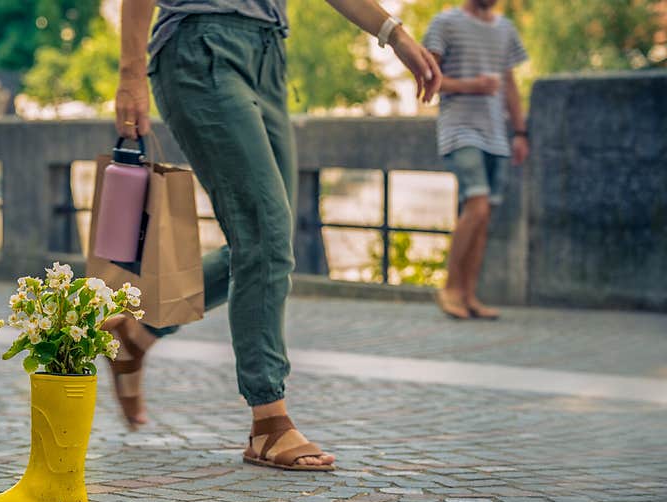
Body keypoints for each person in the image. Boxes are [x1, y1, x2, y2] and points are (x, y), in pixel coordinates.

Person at [107, 0, 441, 471]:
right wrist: (129, 75)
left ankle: (137, 329)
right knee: (263, 232)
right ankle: (268, 421)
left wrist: (394, 34)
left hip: (268, 52)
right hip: (201, 47)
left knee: (267, 242)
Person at [424, 0, 529, 320]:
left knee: (484, 216)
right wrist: (472, 86)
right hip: (460, 129)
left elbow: (509, 83)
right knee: (477, 204)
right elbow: (430, 76)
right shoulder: (445, 23)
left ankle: (469, 295)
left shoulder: (506, 29)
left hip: (496, 133)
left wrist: (521, 132)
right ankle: (450, 289)